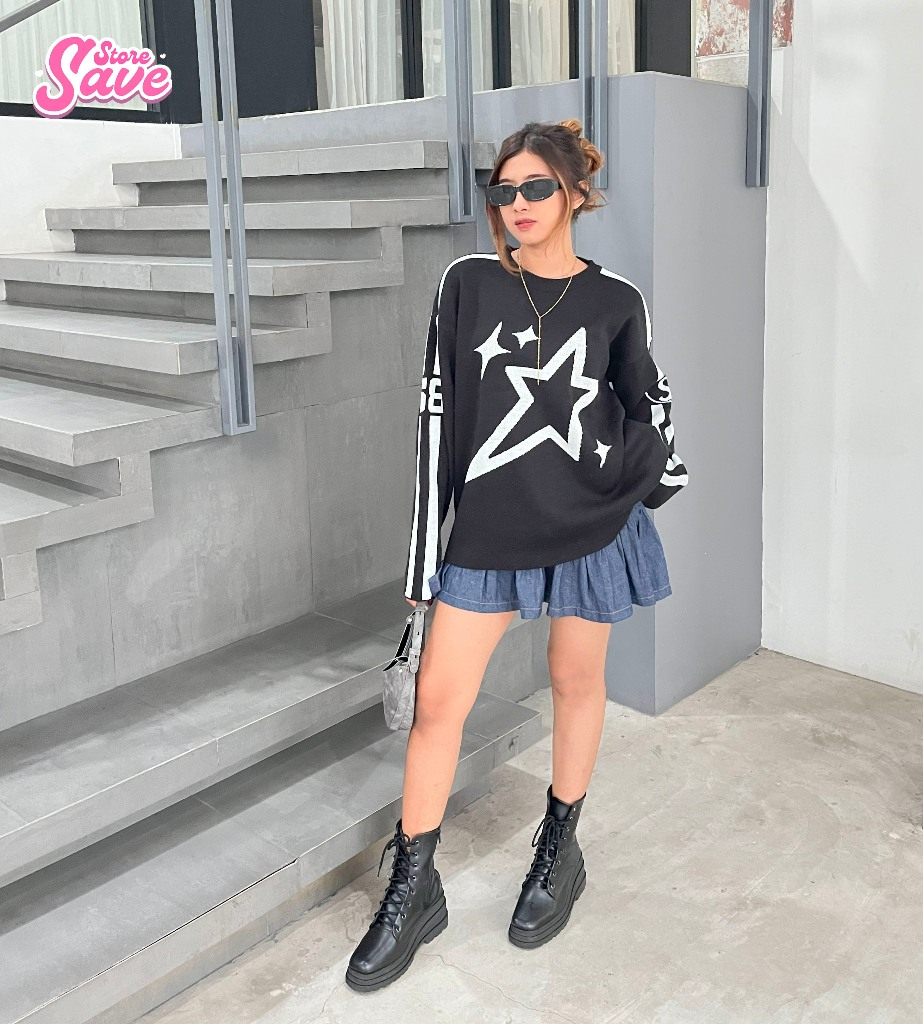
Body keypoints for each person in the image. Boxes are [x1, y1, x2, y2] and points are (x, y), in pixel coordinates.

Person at [346, 118, 688, 992]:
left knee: (576, 683)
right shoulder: (466, 285)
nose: (518, 204)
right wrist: (424, 561)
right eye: (504, 191)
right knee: (437, 706)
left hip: (590, 529)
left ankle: (559, 852)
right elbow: (435, 418)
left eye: (538, 187)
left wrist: (638, 475)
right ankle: (413, 889)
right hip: (491, 534)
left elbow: (649, 407)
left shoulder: (617, 300)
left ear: (576, 193)